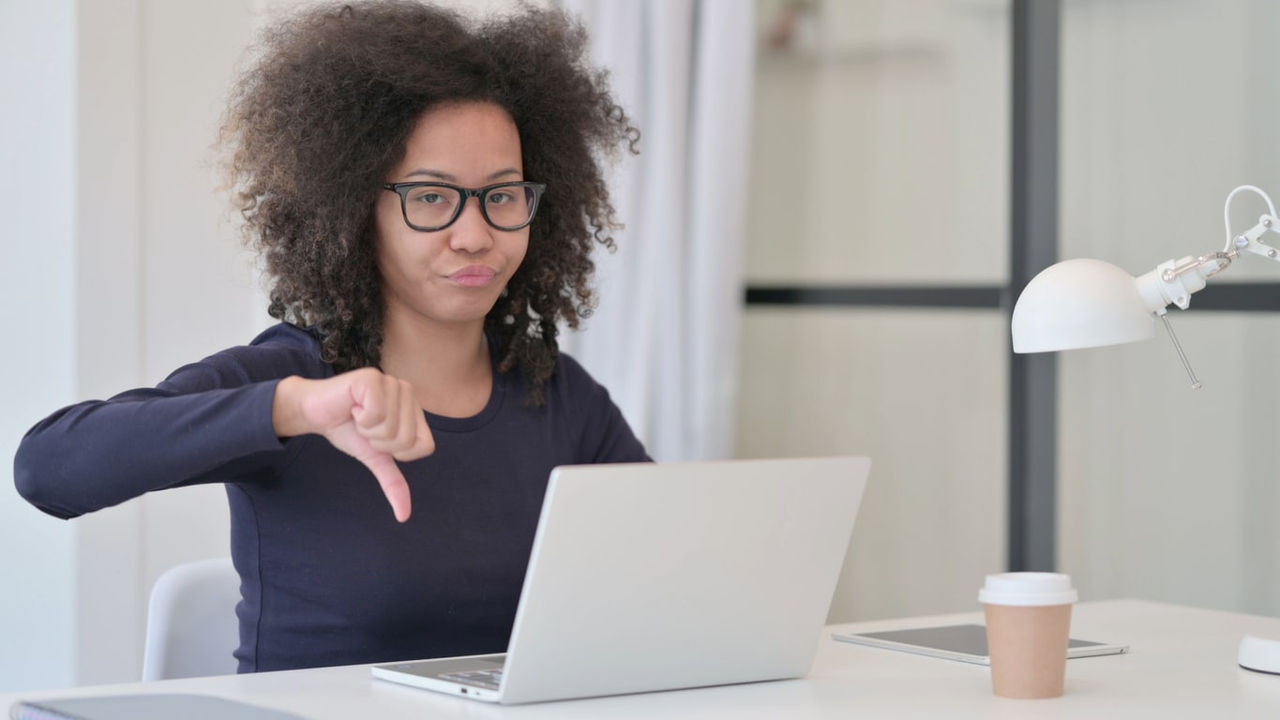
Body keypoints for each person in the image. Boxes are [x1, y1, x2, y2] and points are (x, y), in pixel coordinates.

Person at [13, 0, 648, 673]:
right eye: (431, 197)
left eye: (503, 194)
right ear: (353, 212)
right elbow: (47, 467)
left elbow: (665, 572)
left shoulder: (560, 399)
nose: (476, 234)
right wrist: (292, 410)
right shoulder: (292, 382)